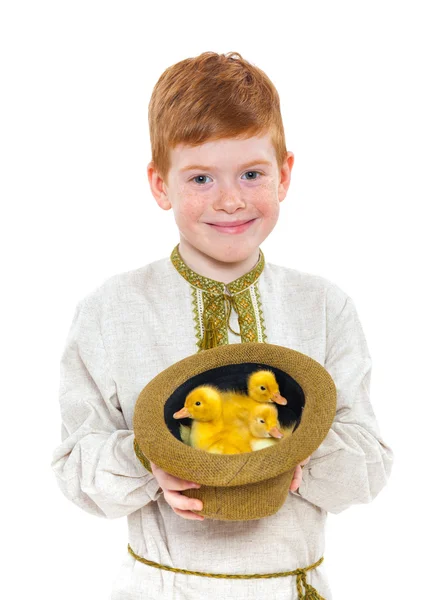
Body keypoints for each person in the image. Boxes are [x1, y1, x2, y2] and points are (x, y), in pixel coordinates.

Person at [51, 51, 394, 600]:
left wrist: (299, 445)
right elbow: (76, 471)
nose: (230, 199)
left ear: (284, 175)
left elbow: (370, 467)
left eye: (252, 173)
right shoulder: (110, 311)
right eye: (201, 177)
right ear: (160, 185)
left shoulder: (325, 307)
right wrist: (150, 457)